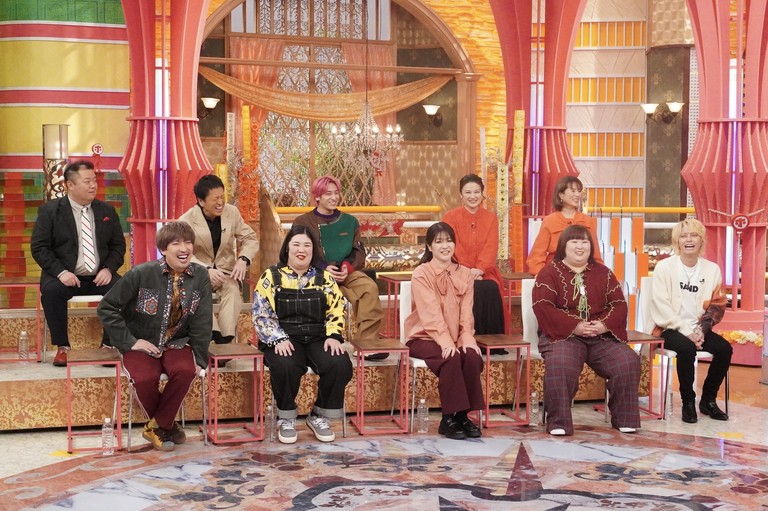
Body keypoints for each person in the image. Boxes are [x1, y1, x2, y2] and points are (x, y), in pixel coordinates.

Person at [97, 221, 212, 451]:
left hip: (177, 342)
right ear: (163, 249)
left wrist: (200, 357)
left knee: (186, 370)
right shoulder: (141, 273)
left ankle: (157, 426)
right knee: (144, 378)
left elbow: (202, 321)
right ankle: (167, 426)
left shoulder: (200, 275)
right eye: (176, 243)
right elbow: (107, 308)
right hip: (141, 341)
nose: (184, 248)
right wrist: (131, 342)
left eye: (188, 242)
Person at [531, 224, 640, 436]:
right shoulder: (549, 273)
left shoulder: (604, 273)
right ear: (563, 246)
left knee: (627, 360)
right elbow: (543, 307)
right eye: (574, 241)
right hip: (563, 336)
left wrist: (603, 325)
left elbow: (619, 305)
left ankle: (624, 418)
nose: (580, 246)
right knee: (561, 363)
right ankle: (559, 422)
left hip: (600, 336)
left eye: (584, 242)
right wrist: (575, 327)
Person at [252, 225, 353, 444]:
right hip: (284, 337)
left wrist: (333, 335)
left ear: (313, 250)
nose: (302, 250)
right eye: (296, 244)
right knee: (285, 364)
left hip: (318, 337)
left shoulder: (324, 278)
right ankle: (286, 417)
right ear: (287, 248)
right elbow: (261, 313)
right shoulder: (271, 276)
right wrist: (277, 338)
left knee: (340, 363)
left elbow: (337, 308)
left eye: (307, 245)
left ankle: (318, 414)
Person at [31, 160, 126, 366]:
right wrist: (61, 272)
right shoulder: (50, 212)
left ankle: (108, 345)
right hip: (65, 275)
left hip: (99, 276)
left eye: (94, 181)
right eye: (87, 181)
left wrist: (108, 268)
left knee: (123, 289)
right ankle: (63, 347)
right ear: (70, 185)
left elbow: (118, 246)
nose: (93, 186)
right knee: (51, 291)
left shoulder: (106, 211)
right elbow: (39, 248)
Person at [403, 222, 484, 440]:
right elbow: (431, 315)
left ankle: (463, 416)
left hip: (455, 336)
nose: (445, 246)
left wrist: (467, 338)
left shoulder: (465, 274)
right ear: (430, 247)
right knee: (451, 358)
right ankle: (448, 419)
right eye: (439, 242)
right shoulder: (421, 273)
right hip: (424, 337)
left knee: (471, 355)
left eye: (449, 241)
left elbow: (466, 313)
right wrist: (446, 342)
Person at [647, 219, 731, 423]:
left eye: (694, 235)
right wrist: (687, 331)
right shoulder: (664, 267)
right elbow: (661, 306)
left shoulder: (712, 269)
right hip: (669, 327)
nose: (689, 240)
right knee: (686, 348)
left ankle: (708, 400)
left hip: (699, 329)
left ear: (701, 240)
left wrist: (702, 329)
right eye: (684, 236)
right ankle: (688, 402)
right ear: (677, 241)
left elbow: (717, 305)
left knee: (724, 349)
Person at [293, 176, 385, 360]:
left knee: (369, 287)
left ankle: (367, 343)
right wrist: (323, 267)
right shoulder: (303, 222)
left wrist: (346, 268)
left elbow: (358, 251)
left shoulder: (350, 222)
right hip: (315, 273)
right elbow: (297, 251)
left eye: (336, 193)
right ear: (317, 196)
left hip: (346, 271)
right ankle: (318, 343)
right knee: (322, 293)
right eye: (328, 194)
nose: (334, 197)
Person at [179, 175, 259, 348]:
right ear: (201, 201)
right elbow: (182, 252)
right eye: (215, 199)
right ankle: (211, 333)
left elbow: (250, 238)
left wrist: (243, 259)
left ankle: (225, 339)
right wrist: (206, 269)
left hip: (225, 272)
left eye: (222, 197)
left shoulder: (232, 212)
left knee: (232, 290)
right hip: (197, 273)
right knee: (198, 292)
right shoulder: (186, 220)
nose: (220, 203)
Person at [442, 174, 507, 353]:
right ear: (461, 195)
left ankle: (492, 344)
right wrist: (467, 271)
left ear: (482, 194)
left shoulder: (491, 217)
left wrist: (479, 269)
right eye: (468, 192)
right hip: (456, 270)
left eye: (476, 192)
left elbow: (491, 246)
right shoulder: (450, 217)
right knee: (467, 288)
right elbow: (451, 246)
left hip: (485, 271)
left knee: (490, 288)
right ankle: (463, 340)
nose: (473, 196)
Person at [527, 176, 603, 275]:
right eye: (573, 191)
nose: (577, 195)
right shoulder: (550, 220)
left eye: (579, 191)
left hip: (582, 272)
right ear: (561, 195)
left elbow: (595, 255)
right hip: (555, 272)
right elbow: (537, 255)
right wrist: (541, 274)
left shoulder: (588, 221)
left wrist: (598, 275)